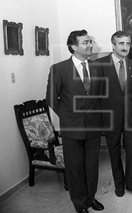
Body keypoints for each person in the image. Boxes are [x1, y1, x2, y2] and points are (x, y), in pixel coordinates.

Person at [46, 30, 104, 213]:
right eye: (85, 42)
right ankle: (79, 204)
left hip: (94, 126)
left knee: (92, 166)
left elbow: (101, 95)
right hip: (72, 127)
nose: (90, 45)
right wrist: (69, 116)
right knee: (75, 167)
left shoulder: (97, 67)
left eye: (90, 42)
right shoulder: (59, 69)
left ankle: (90, 198)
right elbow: (51, 99)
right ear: (73, 47)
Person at [96, 31, 132, 198]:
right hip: (110, 116)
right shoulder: (99, 64)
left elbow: (131, 90)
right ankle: (119, 185)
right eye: (121, 44)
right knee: (114, 151)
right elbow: (97, 93)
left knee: (131, 150)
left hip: (130, 116)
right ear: (113, 45)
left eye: (128, 44)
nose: (125, 47)